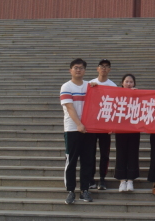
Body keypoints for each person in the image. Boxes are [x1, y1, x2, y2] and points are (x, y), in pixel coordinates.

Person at [60, 58, 95, 204]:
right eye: (75, 67)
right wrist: (79, 124)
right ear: (70, 70)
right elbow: (70, 107)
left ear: (85, 70)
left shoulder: (90, 86)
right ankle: (71, 191)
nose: (78, 70)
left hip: (89, 129)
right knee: (72, 160)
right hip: (72, 128)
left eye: (81, 68)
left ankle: (84, 190)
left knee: (87, 160)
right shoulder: (66, 86)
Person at [87, 59, 117, 190]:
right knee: (90, 152)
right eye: (102, 66)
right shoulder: (90, 84)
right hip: (92, 124)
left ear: (109, 69)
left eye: (106, 66)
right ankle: (91, 178)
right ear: (97, 68)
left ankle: (102, 179)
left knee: (105, 153)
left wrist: (112, 125)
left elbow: (115, 106)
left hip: (105, 124)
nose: (104, 68)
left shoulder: (113, 86)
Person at [114, 74, 140, 192]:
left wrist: (137, 95)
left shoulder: (138, 95)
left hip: (134, 129)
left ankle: (130, 180)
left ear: (134, 83)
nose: (129, 84)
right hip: (121, 129)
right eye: (127, 81)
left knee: (133, 154)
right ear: (122, 83)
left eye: (131, 82)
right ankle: (122, 181)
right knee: (121, 154)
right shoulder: (117, 95)